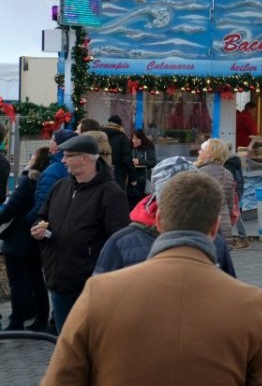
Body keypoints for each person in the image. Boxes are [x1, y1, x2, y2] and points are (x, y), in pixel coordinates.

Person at [42, 171, 262, 386]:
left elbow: (62, 378)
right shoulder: (249, 304)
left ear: (158, 221)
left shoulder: (100, 292)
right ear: (214, 228)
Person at [31, 134, 130, 332]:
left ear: (85, 158)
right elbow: (43, 216)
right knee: (64, 341)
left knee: (87, 344)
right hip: (58, 280)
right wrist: (39, 228)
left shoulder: (111, 192)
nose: (63, 160)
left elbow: (119, 240)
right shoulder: (61, 187)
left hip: (89, 285)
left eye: (68, 156)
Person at [94, 156, 237, 277]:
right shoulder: (122, 242)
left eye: (190, 191)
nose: (182, 199)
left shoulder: (217, 243)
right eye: (175, 193)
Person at [0, 147, 51, 331]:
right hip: (33, 238)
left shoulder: (28, 181)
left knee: (18, 282)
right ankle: (41, 317)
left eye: (33, 155)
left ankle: (17, 320)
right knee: (37, 278)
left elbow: (11, 207)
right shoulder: (45, 181)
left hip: (17, 238)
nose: (30, 158)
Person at [195, 138, 237, 242]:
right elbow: (231, 204)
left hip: (203, 224)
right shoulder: (228, 174)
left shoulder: (198, 172)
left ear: (210, 154)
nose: (198, 152)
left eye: (202, 150)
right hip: (223, 224)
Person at [101, 114, 136, 193]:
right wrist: (133, 178)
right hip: (117, 175)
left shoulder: (100, 136)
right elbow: (127, 160)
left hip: (100, 173)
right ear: (120, 125)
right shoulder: (122, 138)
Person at [129, 130, 157, 203]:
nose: (134, 141)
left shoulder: (148, 148)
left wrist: (139, 161)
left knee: (142, 201)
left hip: (143, 180)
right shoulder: (131, 148)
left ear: (142, 139)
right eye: (133, 138)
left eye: (137, 138)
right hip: (132, 179)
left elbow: (153, 162)